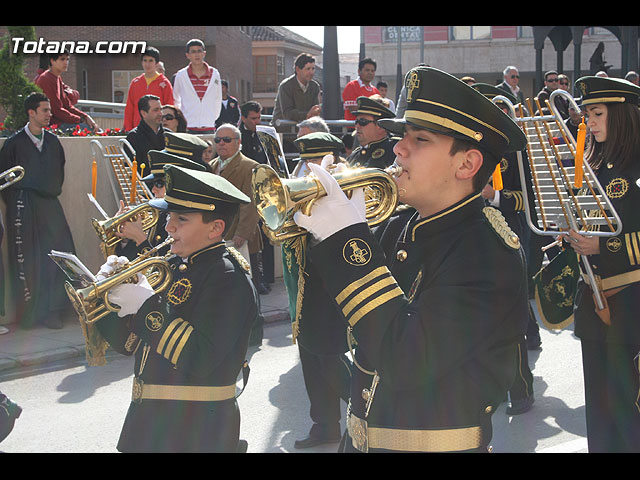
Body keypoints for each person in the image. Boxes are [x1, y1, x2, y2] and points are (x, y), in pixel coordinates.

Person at [293, 66, 529, 453]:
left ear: (466, 164)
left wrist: (348, 244)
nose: (399, 147)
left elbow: (406, 360)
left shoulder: (488, 251)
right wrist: (320, 237)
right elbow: (324, 338)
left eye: (419, 138)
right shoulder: (397, 225)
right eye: (403, 135)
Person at [94, 164, 258, 452]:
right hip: (151, 422)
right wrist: (107, 299)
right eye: (170, 216)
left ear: (215, 228)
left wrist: (145, 307)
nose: (168, 227)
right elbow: (130, 343)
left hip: (196, 431)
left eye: (181, 219)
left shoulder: (228, 277)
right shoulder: (172, 266)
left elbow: (201, 358)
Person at [562, 75, 640, 452]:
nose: (588, 122)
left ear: (622, 116)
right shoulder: (593, 166)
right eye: (587, 113)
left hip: (632, 307)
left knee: (631, 412)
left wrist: (603, 248)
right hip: (594, 303)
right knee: (601, 410)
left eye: (597, 113)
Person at [279, 134, 352, 449]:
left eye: (314, 162)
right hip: (304, 282)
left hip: (329, 283)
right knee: (310, 354)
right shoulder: (301, 184)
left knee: (328, 355)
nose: (305, 172)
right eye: (303, 163)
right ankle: (324, 424)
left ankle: (375, 411)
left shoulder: (345, 184)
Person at [473, 83, 537, 414]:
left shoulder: (514, 150)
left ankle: (521, 390)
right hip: (471, 236)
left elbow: (529, 200)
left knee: (509, 321)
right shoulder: (465, 144)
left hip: (507, 236)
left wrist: (492, 196)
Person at [0, 92, 76, 329]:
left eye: (49, 110)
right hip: (23, 209)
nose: (49, 115)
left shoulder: (53, 141)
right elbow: (5, 182)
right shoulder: (13, 144)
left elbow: (59, 175)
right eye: (44, 110)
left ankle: (55, 310)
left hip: (50, 206)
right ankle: (32, 313)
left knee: (60, 254)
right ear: (31, 113)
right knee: (29, 260)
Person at [112, 150, 207, 261]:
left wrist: (140, 238)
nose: (153, 189)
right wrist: (125, 237)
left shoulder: (188, 220)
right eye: (153, 184)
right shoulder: (158, 215)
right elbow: (126, 259)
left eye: (159, 184)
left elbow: (166, 267)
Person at [35, 51, 99, 133]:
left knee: (95, 128)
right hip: (52, 125)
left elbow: (67, 105)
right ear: (52, 61)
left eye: (67, 59)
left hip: (61, 122)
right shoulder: (47, 79)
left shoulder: (57, 78)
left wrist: (86, 116)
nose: (66, 62)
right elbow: (56, 110)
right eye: (62, 59)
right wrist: (80, 120)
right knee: (92, 130)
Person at [173, 39, 222, 134]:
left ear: (204, 53)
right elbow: (176, 99)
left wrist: (211, 117)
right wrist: (183, 118)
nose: (197, 55)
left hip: (209, 126)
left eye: (199, 51)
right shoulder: (181, 75)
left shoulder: (214, 74)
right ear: (188, 55)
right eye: (193, 52)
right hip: (188, 127)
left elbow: (217, 98)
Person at [123, 47, 174, 132]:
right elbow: (129, 108)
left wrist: (166, 129)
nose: (147, 64)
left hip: (157, 130)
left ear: (156, 63)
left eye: (151, 61)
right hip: (137, 130)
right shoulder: (135, 83)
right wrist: (128, 129)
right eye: (145, 60)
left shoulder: (164, 83)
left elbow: (169, 108)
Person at [271, 53, 322, 131]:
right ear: (298, 69)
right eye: (308, 69)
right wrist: (308, 114)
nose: (311, 72)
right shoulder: (286, 86)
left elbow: (314, 109)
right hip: (283, 131)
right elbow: (288, 113)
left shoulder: (314, 86)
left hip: (304, 131)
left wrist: (316, 111)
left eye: (313, 69)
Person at [346, 95, 398, 169]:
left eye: (362, 121)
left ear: (380, 126)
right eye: (356, 121)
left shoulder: (394, 150)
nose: (357, 126)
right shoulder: (355, 155)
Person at [124, 95, 170, 175]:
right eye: (156, 110)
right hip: (144, 185)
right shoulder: (133, 137)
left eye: (161, 109)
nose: (160, 113)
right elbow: (132, 170)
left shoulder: (169, 135)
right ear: (144, 113)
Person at [239, 101, 267, 165]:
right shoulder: (236, 136)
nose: (258, 122)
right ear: (243, 119)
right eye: (253, 118)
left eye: (259, 118)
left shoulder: (264, 135)